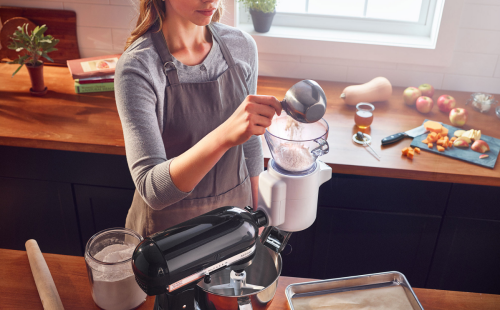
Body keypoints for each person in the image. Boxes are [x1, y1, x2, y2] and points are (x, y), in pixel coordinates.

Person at [115, 0, 282, 237]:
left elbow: (250, 139)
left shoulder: (241, 46)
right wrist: (226, 134)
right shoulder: (138, 67)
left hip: (233, 225)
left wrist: (257, 212)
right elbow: (152, 190)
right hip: (169, 241)